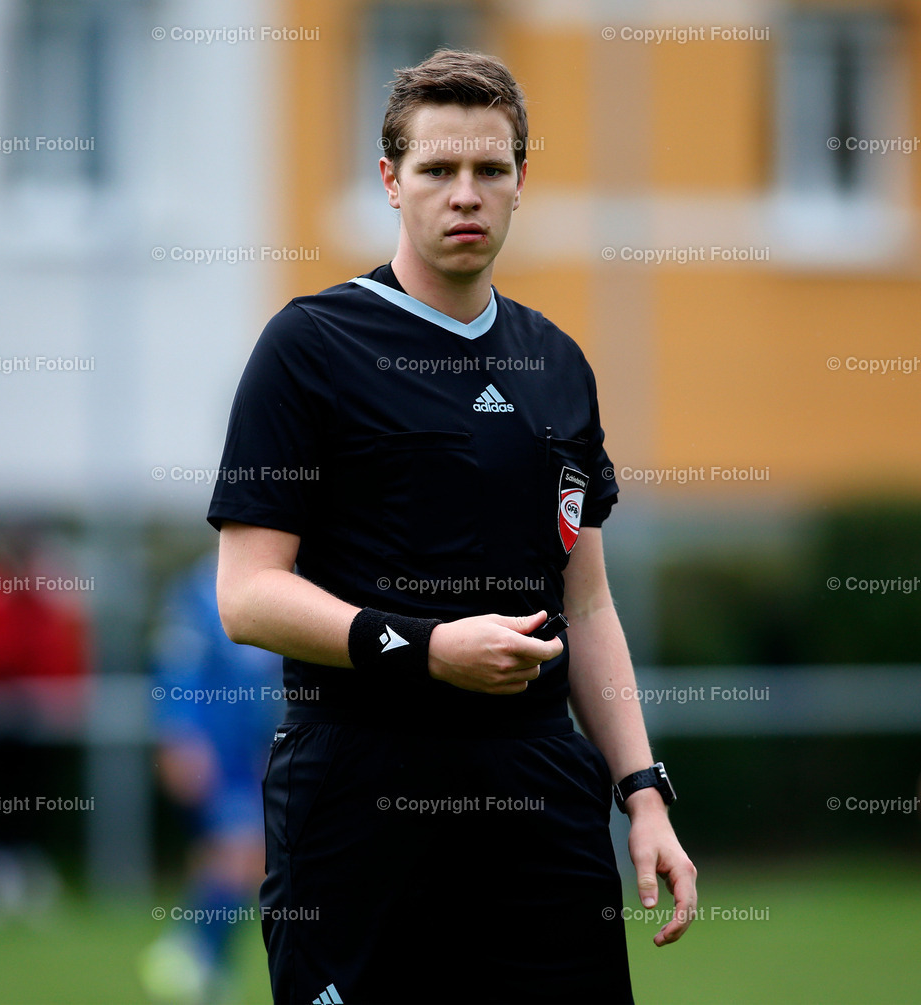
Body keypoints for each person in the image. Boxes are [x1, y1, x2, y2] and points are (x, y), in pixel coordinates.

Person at [208, 49, 697, 1004]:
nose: (464, 194)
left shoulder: (558, 363)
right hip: (358, 791)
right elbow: (246, 594)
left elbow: (586, 605)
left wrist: (642, 791)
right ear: (391, 183)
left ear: (522, 182)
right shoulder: (309, 346)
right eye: (437, 170)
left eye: (490, 169)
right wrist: (427, 648)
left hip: (540, 798)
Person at [140, 552, 282, 1004]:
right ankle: (190, 954)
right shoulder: (201, 587)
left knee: (232, 855)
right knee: (240, 852)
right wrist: (180, 735)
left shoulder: (291, 582)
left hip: (259, 752)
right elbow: (176, 667)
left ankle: (206, 965)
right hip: (217, 753)